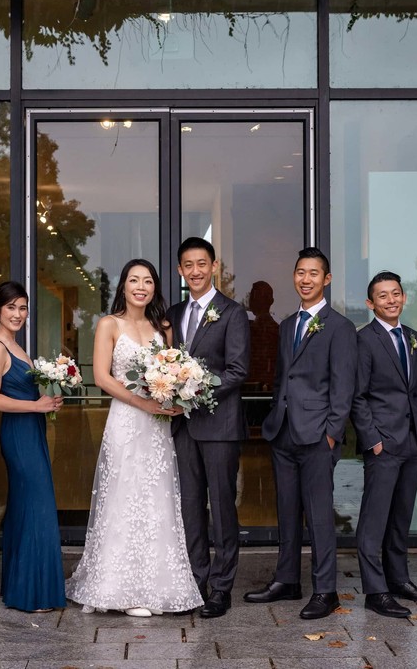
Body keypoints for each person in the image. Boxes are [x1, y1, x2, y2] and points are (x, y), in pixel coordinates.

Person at [66, 259, 203, 617]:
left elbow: (176, 371)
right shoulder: (109, 324)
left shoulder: (164, 328)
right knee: (122, 495)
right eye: (133, 280)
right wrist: (142, 402)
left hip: (157, 426)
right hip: (127, 420)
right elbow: (101, 376)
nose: (140, 286)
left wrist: (174, 398)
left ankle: (151, 586)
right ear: (123, 286)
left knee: (156, 497)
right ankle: (114, 587)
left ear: (155, 287)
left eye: (147, 281)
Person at [245, 247, 356, 620]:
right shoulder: (288, 324)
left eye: (313, 273)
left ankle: (326, 590)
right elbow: (282, 377)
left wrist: (331, 433)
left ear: (326, 279)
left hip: (317, 435)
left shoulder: (340, 327)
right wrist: (277, 414)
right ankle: (287, 580)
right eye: (300, 272)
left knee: (320, 515)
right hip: (284, 431)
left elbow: (343, 387)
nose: (305, 279)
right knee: (287, 511)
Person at [164, 237, 250, 618]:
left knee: (222, 507)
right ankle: (196, 580)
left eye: (202, 263)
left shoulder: (232, 312)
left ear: (213, 266)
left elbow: (236, 371)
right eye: (188, 265)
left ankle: (222, 586)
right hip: (183, 428)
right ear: (181, 270)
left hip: (220, 426)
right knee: (191, 507)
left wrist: (192, 389)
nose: (195, 271)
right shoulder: (174, 311)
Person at [351, 271, 417, 619]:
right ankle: (375, 591)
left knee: (401, 517)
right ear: (371, 304)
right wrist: (373, 440)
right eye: (382, 296)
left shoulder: (413, 337)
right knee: (374, 521)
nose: (391, 300)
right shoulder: (365, 340)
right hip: (383, 444)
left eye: (396, 293)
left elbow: (416, 391)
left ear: (404, 297)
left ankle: (399, 580)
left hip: (413, 442)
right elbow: (357, 396)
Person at [0, 281, 67, 613]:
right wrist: (36, 407)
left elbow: (26, 393)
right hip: (17, 433)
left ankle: (21, 587)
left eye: (23, 307)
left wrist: (48, 399)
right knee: (37, 506)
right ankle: (34, 593)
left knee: (24, 507)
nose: (18, 314)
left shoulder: (15, 345)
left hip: (30, 430)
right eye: (11, 307)